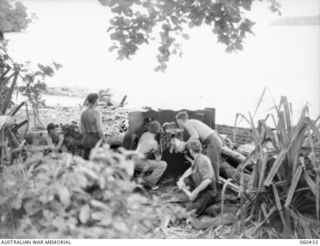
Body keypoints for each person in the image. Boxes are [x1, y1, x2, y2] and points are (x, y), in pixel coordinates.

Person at [175, 111, 222, 184]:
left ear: (180, 120)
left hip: (213, 142)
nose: (178, 123)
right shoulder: (191, 121)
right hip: (212, 141)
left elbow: (195, 136)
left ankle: (215, 186)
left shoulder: (188, 124)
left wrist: (185, 145)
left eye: (177, 121)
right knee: (211, 164)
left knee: (213, 165)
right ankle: (212, 184)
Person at [177, 138, 217, 216]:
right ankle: (196, 197)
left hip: (208, 191)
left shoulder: (202, 160)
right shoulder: (197, 157)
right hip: (200, 187)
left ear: (190, 150)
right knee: (185, 180)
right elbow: (191, 169)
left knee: (189, 211)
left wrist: (195, 192)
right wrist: (181, 179)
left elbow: (208, 180)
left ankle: (209, 203)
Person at [135, 121, 167, 189]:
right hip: (140, 163)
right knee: (163, 164)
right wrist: (160, 148)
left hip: (133, 159)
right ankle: (149, 182)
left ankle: (141, 178)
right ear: (158, 130)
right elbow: (158, 159)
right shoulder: (154, 143)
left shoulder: (145, 134)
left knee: (149, 158)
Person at [80, 93, 106, 159]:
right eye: (98, 100)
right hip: (95, 140)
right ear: (96, 101)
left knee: (86, 161)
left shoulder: (83, 113)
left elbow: (81, 130)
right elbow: (99, 129)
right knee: (96, 161)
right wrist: (104, 139)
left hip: (85, 139)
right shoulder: (96, 113)